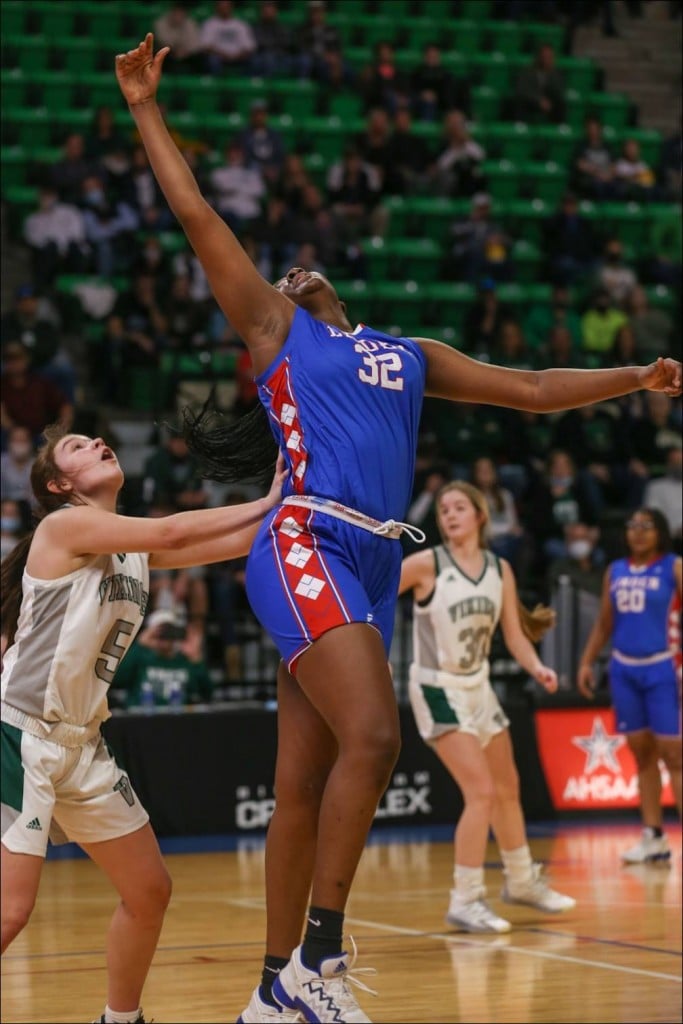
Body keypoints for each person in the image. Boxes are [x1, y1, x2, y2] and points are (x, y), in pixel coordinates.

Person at [115, 35, 681, 1024]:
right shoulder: (276, 335)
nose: (291, 273)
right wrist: (144, 110)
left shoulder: (406, 352)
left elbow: (533, 388)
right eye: (281, 277)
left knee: (304, 779)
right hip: (305, 541)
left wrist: (632, 377)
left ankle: (269, 991)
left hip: (374, 557)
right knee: (373, 736)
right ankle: (317, 964)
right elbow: (198, 214)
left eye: (304, 271)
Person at [0, 423, 286, 1024]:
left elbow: (232, 542)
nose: (98, 443)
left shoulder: (131, 548)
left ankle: (120, 1020)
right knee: (10, 911)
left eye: (98, 440)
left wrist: (307, 507)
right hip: (20, 733)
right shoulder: (63, 526)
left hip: (83, 744)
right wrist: (267, 497)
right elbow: (176, 528)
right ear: (59, 484)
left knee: (149, 890)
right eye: (78, 447)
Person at [398, 481, 575, 934]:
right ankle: (466, 897)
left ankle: (521, 882)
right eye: (443, 510)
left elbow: (514, 634)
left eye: (459, 508)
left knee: (508, 788)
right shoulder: (425, 564)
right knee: (480, 793)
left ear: (480, 515)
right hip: (437, 687)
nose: (450, 515)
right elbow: (373, 596)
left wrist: (537, 668)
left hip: (479, 688)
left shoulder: (500, 569)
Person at [577, 509, 682, 864]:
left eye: (646, 526)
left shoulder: (674, 566)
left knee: (675, 755)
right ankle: (653, 838)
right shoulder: (616, 571)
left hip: (663, 667)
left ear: (661, 532)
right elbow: (606, 621)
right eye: (632, 526)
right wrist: (586, 661)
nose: (637, 533)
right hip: (624, 668)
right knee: (642, 754)